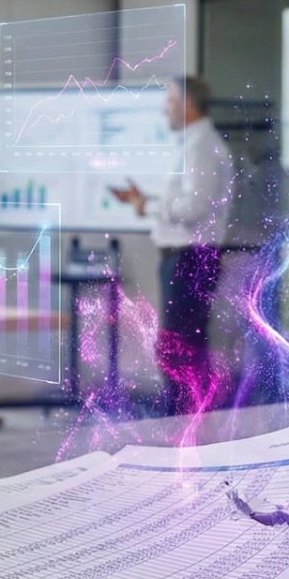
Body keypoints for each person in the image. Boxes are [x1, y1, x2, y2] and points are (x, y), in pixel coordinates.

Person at [112, 75, 235, 414]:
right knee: (183, 345)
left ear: (187, 104)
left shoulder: (200, 147)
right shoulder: (194, 144)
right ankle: (189, 418)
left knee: (179, 347)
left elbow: (193, 208)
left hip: (190, 258)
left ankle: (183, 420)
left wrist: (153, 206)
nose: (164, 109)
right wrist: (149, 202)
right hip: (186, 257)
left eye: (169, 100)